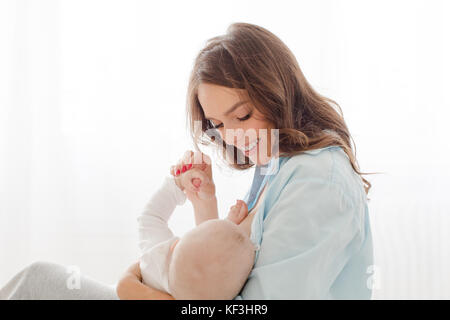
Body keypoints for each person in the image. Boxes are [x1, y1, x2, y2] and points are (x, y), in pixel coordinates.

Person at [0, 22, 374, 300]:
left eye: (242, 116)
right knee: (39, 283)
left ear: (278, 92)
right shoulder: (277, 164)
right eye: (219, 125)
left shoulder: (316, 180)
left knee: (39, 285)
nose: (233, 137)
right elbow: (219, 280)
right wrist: (204, 203)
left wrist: (137, 293)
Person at [137, 166, 256, 300]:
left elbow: (150, 217)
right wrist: (229, 227)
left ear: (175, 245)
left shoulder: (154, 262)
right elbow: (215, 257)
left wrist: (179, 183)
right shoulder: (216, 289)